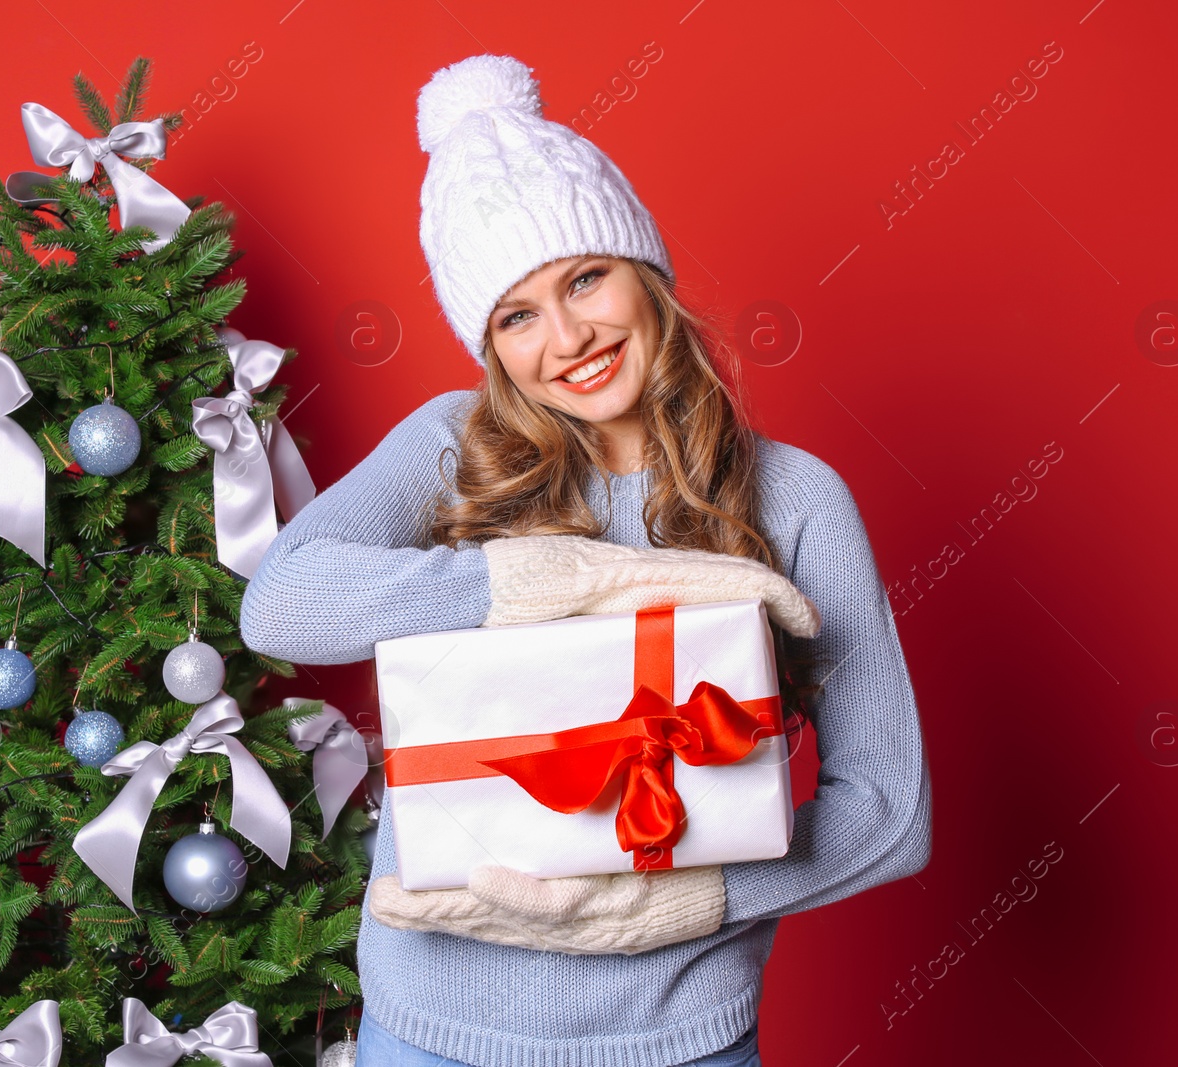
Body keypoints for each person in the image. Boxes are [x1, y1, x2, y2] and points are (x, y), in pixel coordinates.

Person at [239, 53, 932, 1067]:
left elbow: (890, 808)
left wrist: (695, 898)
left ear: (642, 270)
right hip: (431, 1028)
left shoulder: (793, 497)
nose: (567, 337)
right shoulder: (450, 448)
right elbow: (278, 603)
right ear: (489, 342)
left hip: (676, 1037)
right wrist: (520, 580)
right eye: (517, 315)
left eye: (585, 279)